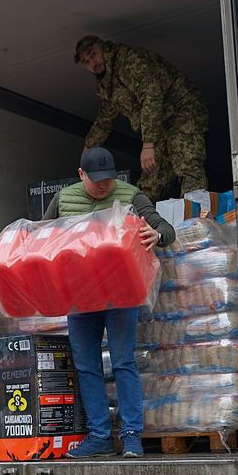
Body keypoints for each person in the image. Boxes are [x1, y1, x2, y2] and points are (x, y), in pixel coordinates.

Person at [43, 147, 176, 458]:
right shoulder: (63, 199)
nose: (104, 186)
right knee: (86, 366)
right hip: (80, 296)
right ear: (81, 174)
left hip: (120, 294)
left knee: (122, 362)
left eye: (108, 179)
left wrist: (156, 235)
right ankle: (100, 436)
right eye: (97, 180)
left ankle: (131, 436)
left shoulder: (131, 195)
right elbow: (42, 238)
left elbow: (166, 230)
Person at [74, 35, 209, 202]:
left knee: (186, 163)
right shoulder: (106, 83)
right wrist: (88, 149)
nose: (92, 63)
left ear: (102, 48)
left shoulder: (127, 61)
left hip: (182, 110)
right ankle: (136, 217)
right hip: (160, 127)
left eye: (93, 54)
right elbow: (105, 119)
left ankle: (196, 215)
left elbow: (152, 97)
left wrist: (148, 145)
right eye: (86, 62)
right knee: (150, 181)